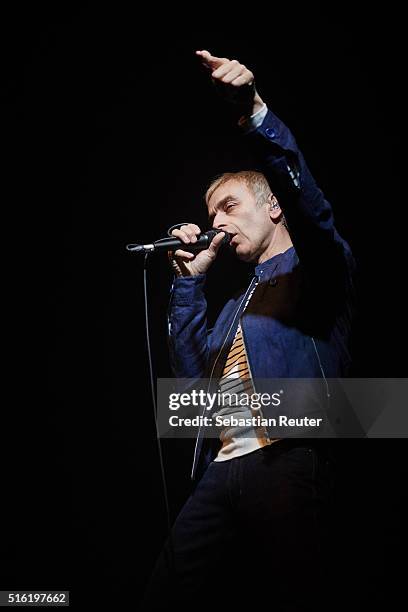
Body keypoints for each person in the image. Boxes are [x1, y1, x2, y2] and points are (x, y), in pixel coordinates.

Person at [143, 50, 357, 611]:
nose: (218, 222)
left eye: (230, 207)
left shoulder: (317, 270)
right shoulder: (235, 307)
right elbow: (191, 389)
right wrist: (189, 284)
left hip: (288, 455)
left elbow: (312, 208)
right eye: (212, 214)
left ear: (274, 209)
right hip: (221, 468)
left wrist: (256, 113)